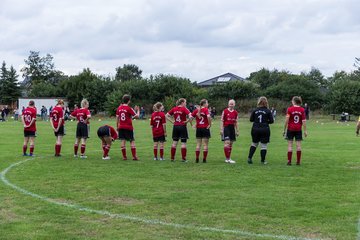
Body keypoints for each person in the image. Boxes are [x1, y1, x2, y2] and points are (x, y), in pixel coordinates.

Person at [247, 97, 274, 165]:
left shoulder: (255, 110)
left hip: (255, 129)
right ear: (266, 103)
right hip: (265, 129)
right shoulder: (268, 111)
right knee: (263, 145)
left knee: (254, 143)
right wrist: (266, 121)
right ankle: (262, 161)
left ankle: (249, 158)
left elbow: (251, 120)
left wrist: (256, 121)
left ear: (259, 102)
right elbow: (272, 121)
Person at [165, 98, 193, 162]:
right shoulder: (184, 109)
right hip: (182, 126)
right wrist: (187, 121)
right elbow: (191, 116)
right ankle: (183, 159)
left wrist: (172, 121)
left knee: (174, 142)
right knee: (183, 143)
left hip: (175, 127)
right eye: (185, 102)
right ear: (182, 102)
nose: (186, 104)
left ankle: (172, 158)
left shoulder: (174, 108)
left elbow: (166, 116)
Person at [283, 96, 307, 166]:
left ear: (294, 101)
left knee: (290, 145)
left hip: (290, 129)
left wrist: (284, 129)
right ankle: (298, 161)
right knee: (298, 146)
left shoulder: (290, 109)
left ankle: (289, 161)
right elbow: (304, 121)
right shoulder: (302, 110)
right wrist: (305, 131)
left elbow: (287, 120)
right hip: (298, 129)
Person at [116, 94, 140, 160]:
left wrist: (117, 126)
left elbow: (117, 118)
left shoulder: (119, 108)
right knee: (132, 141)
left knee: (122, 141)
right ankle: (134, 157)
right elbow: (137, 116)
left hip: (121, 127)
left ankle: (124, 157)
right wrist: (138, 110)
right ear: (129, 101)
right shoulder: (129, 108)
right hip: (128, 127)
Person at [220, 99, 239, 164]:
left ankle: (228, 158)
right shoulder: (225, 111)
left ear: (234, 104)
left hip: (232, 129)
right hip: (226, 128)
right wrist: (221, 129)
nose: (231, 105)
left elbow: (236, 122)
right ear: (228, 104)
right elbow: (222, 121)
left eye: (232, 104)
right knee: (227, 143)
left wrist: (237, 131)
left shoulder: (236, 112)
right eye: (230, 104)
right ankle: (227, 159)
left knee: (231, 143)